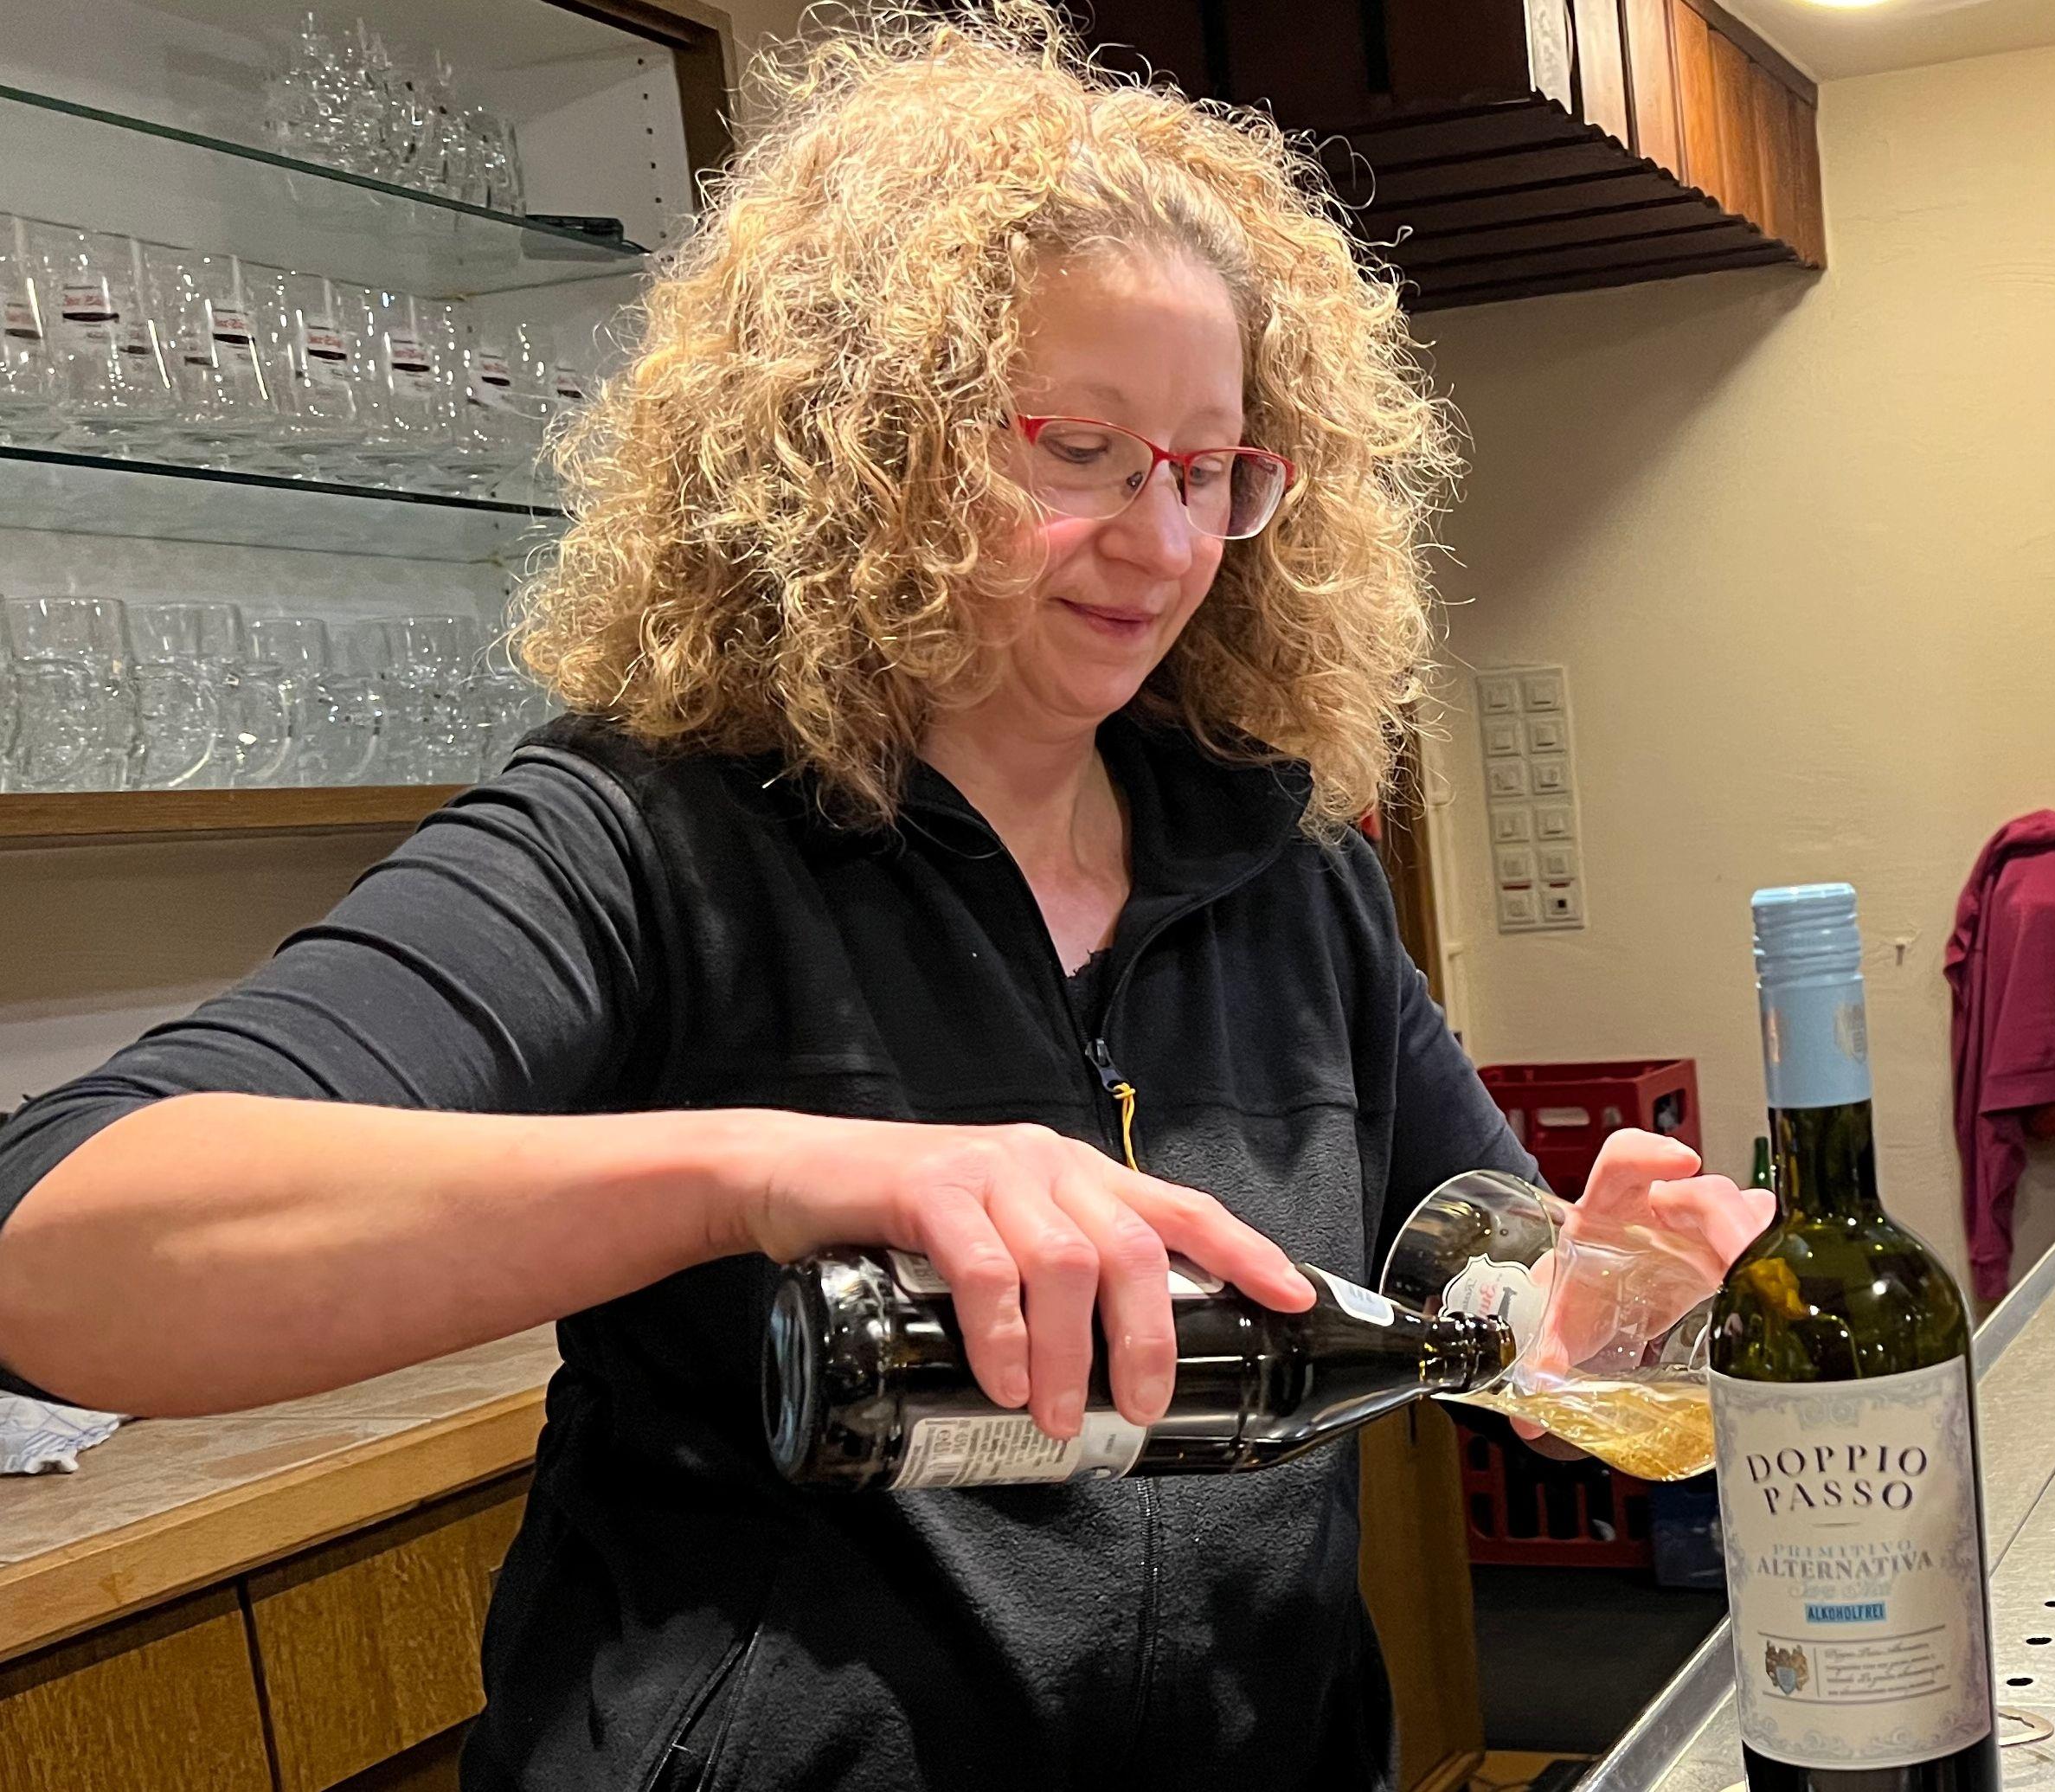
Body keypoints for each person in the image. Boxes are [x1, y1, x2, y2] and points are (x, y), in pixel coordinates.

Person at [0, 10, 1761, 1788]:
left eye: (1209, 467)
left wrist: (1602, 1298)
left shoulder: (1283, 868)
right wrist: (767, 1173)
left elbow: (1498, 1306)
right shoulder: (645, 839)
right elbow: (61, 1250)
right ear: (873, 445)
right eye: (1076, 448)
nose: (1158, 543)